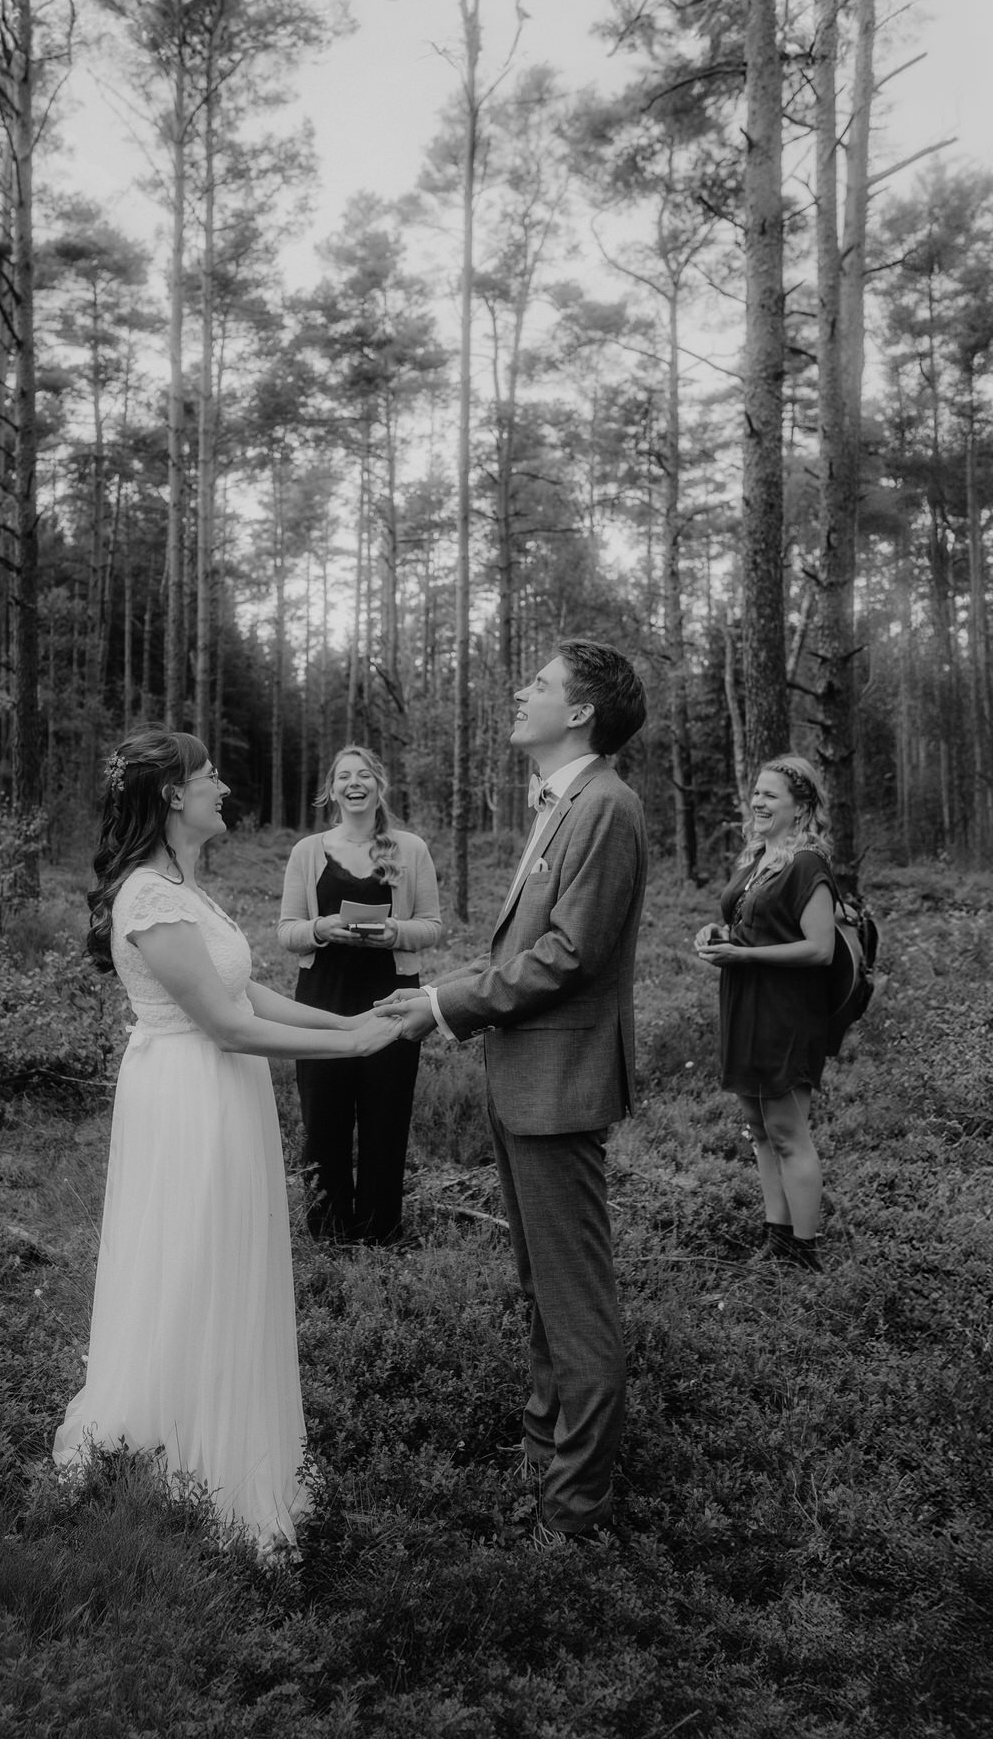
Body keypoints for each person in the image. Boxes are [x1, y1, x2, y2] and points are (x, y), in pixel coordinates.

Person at [53, 728, 401, 1563]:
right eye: (209, 775)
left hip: (222, 1088)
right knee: (192, 1261)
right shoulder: (146, 894)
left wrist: (350, 1021)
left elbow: (245, 990)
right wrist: (349, 1049)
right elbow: (224, 1024)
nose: (221, 786)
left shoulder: (186, 885)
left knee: (224, 1261)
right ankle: (183, 1458)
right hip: (189, 1094)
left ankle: (212, 1433)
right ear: (173, 795)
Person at [376, 641, 647, 1548]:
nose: (518, 690)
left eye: (538, 684)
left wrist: (444, 1009)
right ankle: (543, 1448)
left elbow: (568, 956)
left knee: (574, 1300)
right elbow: (517, 952)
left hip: (559, 1085)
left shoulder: (604, 806)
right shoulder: (563, 801)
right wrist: (434, 993)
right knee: (540, 1282)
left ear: (579, 714)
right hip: (526, 1075)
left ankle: (573, 1515)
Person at [278, 746, 441, 1245]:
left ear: (378, 786)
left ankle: (380, 1233)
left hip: (391, 995)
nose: (355, 783)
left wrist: (393, 932)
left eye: (364, 775)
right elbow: (287, 932)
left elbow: (432, 926)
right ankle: (328, 1235)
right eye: (344, 776)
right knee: (323, 1115)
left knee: (385, 1116)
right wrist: (322, 928)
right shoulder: (308, 851)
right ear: (331, 789)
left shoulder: (409, 848)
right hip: (321, 997)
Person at [694, 755, 837, 1272]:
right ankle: (778, 1237)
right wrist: (719, 938)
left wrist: (746, 955)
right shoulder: (757, 859)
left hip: (786, 1012)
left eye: (771, 795)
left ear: (801, 809)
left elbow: (820, 948)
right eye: (756, 792)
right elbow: (752, 926)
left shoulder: (807, 864)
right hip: (745, 1004)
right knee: (758, 1129)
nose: (757, 801)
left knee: (787, 1131)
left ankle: (804, 1252)